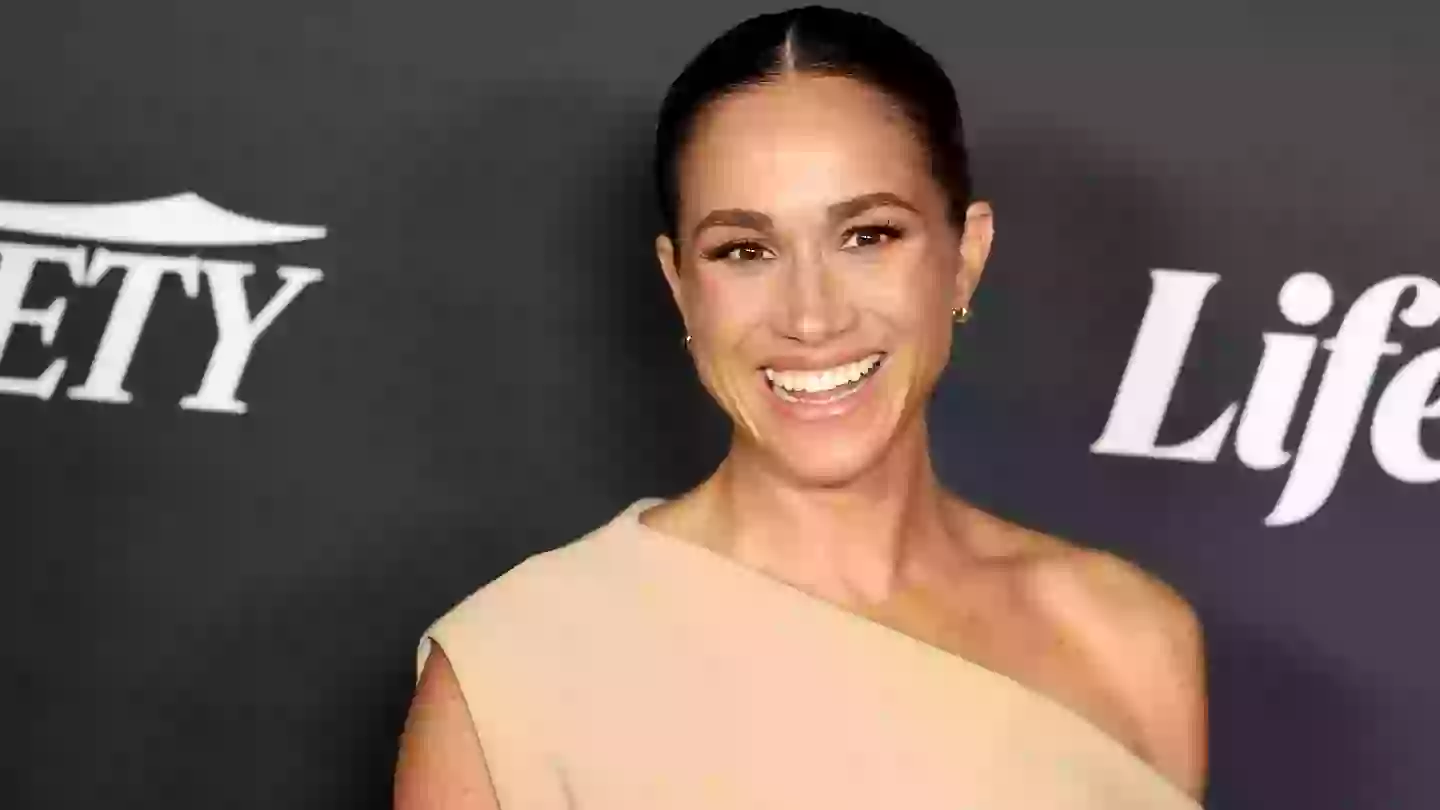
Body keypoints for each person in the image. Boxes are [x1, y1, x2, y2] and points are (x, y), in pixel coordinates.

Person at [394, 6, 1207, 808]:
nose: (811, 318)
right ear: (680, 285)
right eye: (744, 251)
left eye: (868, 236)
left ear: (965, 256)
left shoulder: (1128, 641)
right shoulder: (513, 675)